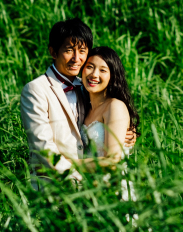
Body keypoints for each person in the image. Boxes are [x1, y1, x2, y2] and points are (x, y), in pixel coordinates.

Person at [20, 18, 135, 187]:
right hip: (54, 187)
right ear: (53, 52)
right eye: (69, 50)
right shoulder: (36, 90)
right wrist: (80, 183)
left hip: (94, 189)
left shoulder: (87, 88)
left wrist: (126, 133)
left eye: (82, 51)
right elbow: (45, 150)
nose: (76, 58)